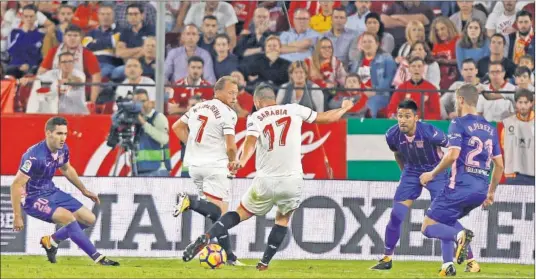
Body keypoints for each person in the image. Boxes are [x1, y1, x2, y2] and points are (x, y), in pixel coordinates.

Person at [181, 83, 355, 270]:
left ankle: (207, 237)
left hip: (264, 180)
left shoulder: (256, 116)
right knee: (282, 219)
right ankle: (264, 263)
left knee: (239, 213)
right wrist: (344, 108)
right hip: (291, 180)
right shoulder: (294, 109)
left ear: (257, 102)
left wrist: (241, 161)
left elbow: (250, 142)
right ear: (274, 99)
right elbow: (326, 118)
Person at [371, 99, 479, 273]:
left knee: (442, 217)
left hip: (435, 172)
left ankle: (470, 261)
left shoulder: (430, 132)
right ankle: (386, 258)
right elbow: (398, 153)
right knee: (396, 215)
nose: (402, 120)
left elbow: (453, 150)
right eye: (399, 116)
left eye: (407, 116)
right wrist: (405, 175)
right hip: (411, 172)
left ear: (416, 117)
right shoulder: (391, 134)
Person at [10, 116, 119, 266]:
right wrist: (17, 216)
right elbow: (16, 185)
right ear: (48, 133)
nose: (63, 138)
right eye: (59, 133)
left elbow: (66, 169)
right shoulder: (34, 156)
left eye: (65, 134)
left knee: (89, 218)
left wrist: (84, 190)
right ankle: (98, 257)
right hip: (33, 198)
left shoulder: (63, 150)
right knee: (69, 218)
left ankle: (51, 240)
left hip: (51, 190)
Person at [419, 84, 504, 276]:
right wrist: (490, 193)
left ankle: (459, 237)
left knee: (428, 227)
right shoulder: (491, 129)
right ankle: (449, 266)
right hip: (480, 190)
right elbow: (499, 165)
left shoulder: (458, 123)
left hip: (460, 186)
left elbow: (452, 155)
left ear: (461, 100)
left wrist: (431, 174)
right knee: (446, 220)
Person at [171, 76, 243, 266]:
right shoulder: (228, 113)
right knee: (222, 214)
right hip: (215, 165)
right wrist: (233, 160)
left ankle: (230, 257)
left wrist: (193, 145)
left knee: (217, 215)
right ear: (217, 91)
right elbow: (230, 145)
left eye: (236, 93)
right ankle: (190, 202)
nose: (234, 97)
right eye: (230, 93)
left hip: (194, 166)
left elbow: (176, 127)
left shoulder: (198, 107)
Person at [133, 89, 171, 177]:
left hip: (158, 170)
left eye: (143, 101)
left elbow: (164, 139)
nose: (140, 105)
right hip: (139, 170)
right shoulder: (134, 120)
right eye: (137, 102)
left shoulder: (158, 117)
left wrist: (144, 124)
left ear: (150, 102)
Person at [501, 89, 534, 185]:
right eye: (520, 102)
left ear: (531, 103)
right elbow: (504, 146)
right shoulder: (507, 123)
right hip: (514, 175)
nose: (523, 106)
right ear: (516, 104)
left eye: (526, 102)